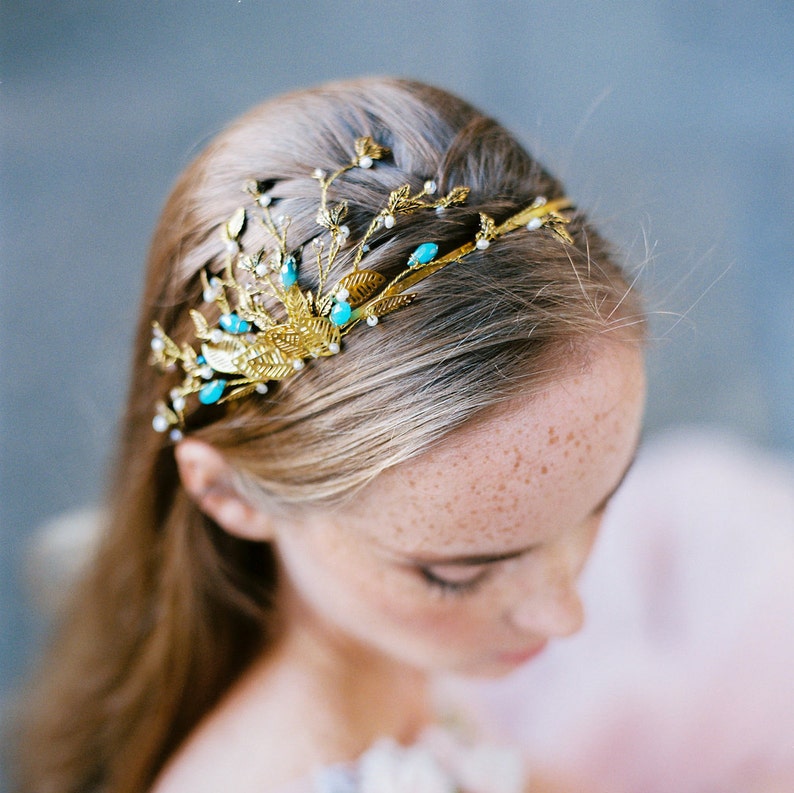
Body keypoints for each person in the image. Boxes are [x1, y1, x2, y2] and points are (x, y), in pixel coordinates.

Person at [13, 78, 646, 793]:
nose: (567, 613)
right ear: (228, 494)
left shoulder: (383, 642)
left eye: (600, 498)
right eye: (456, 574)